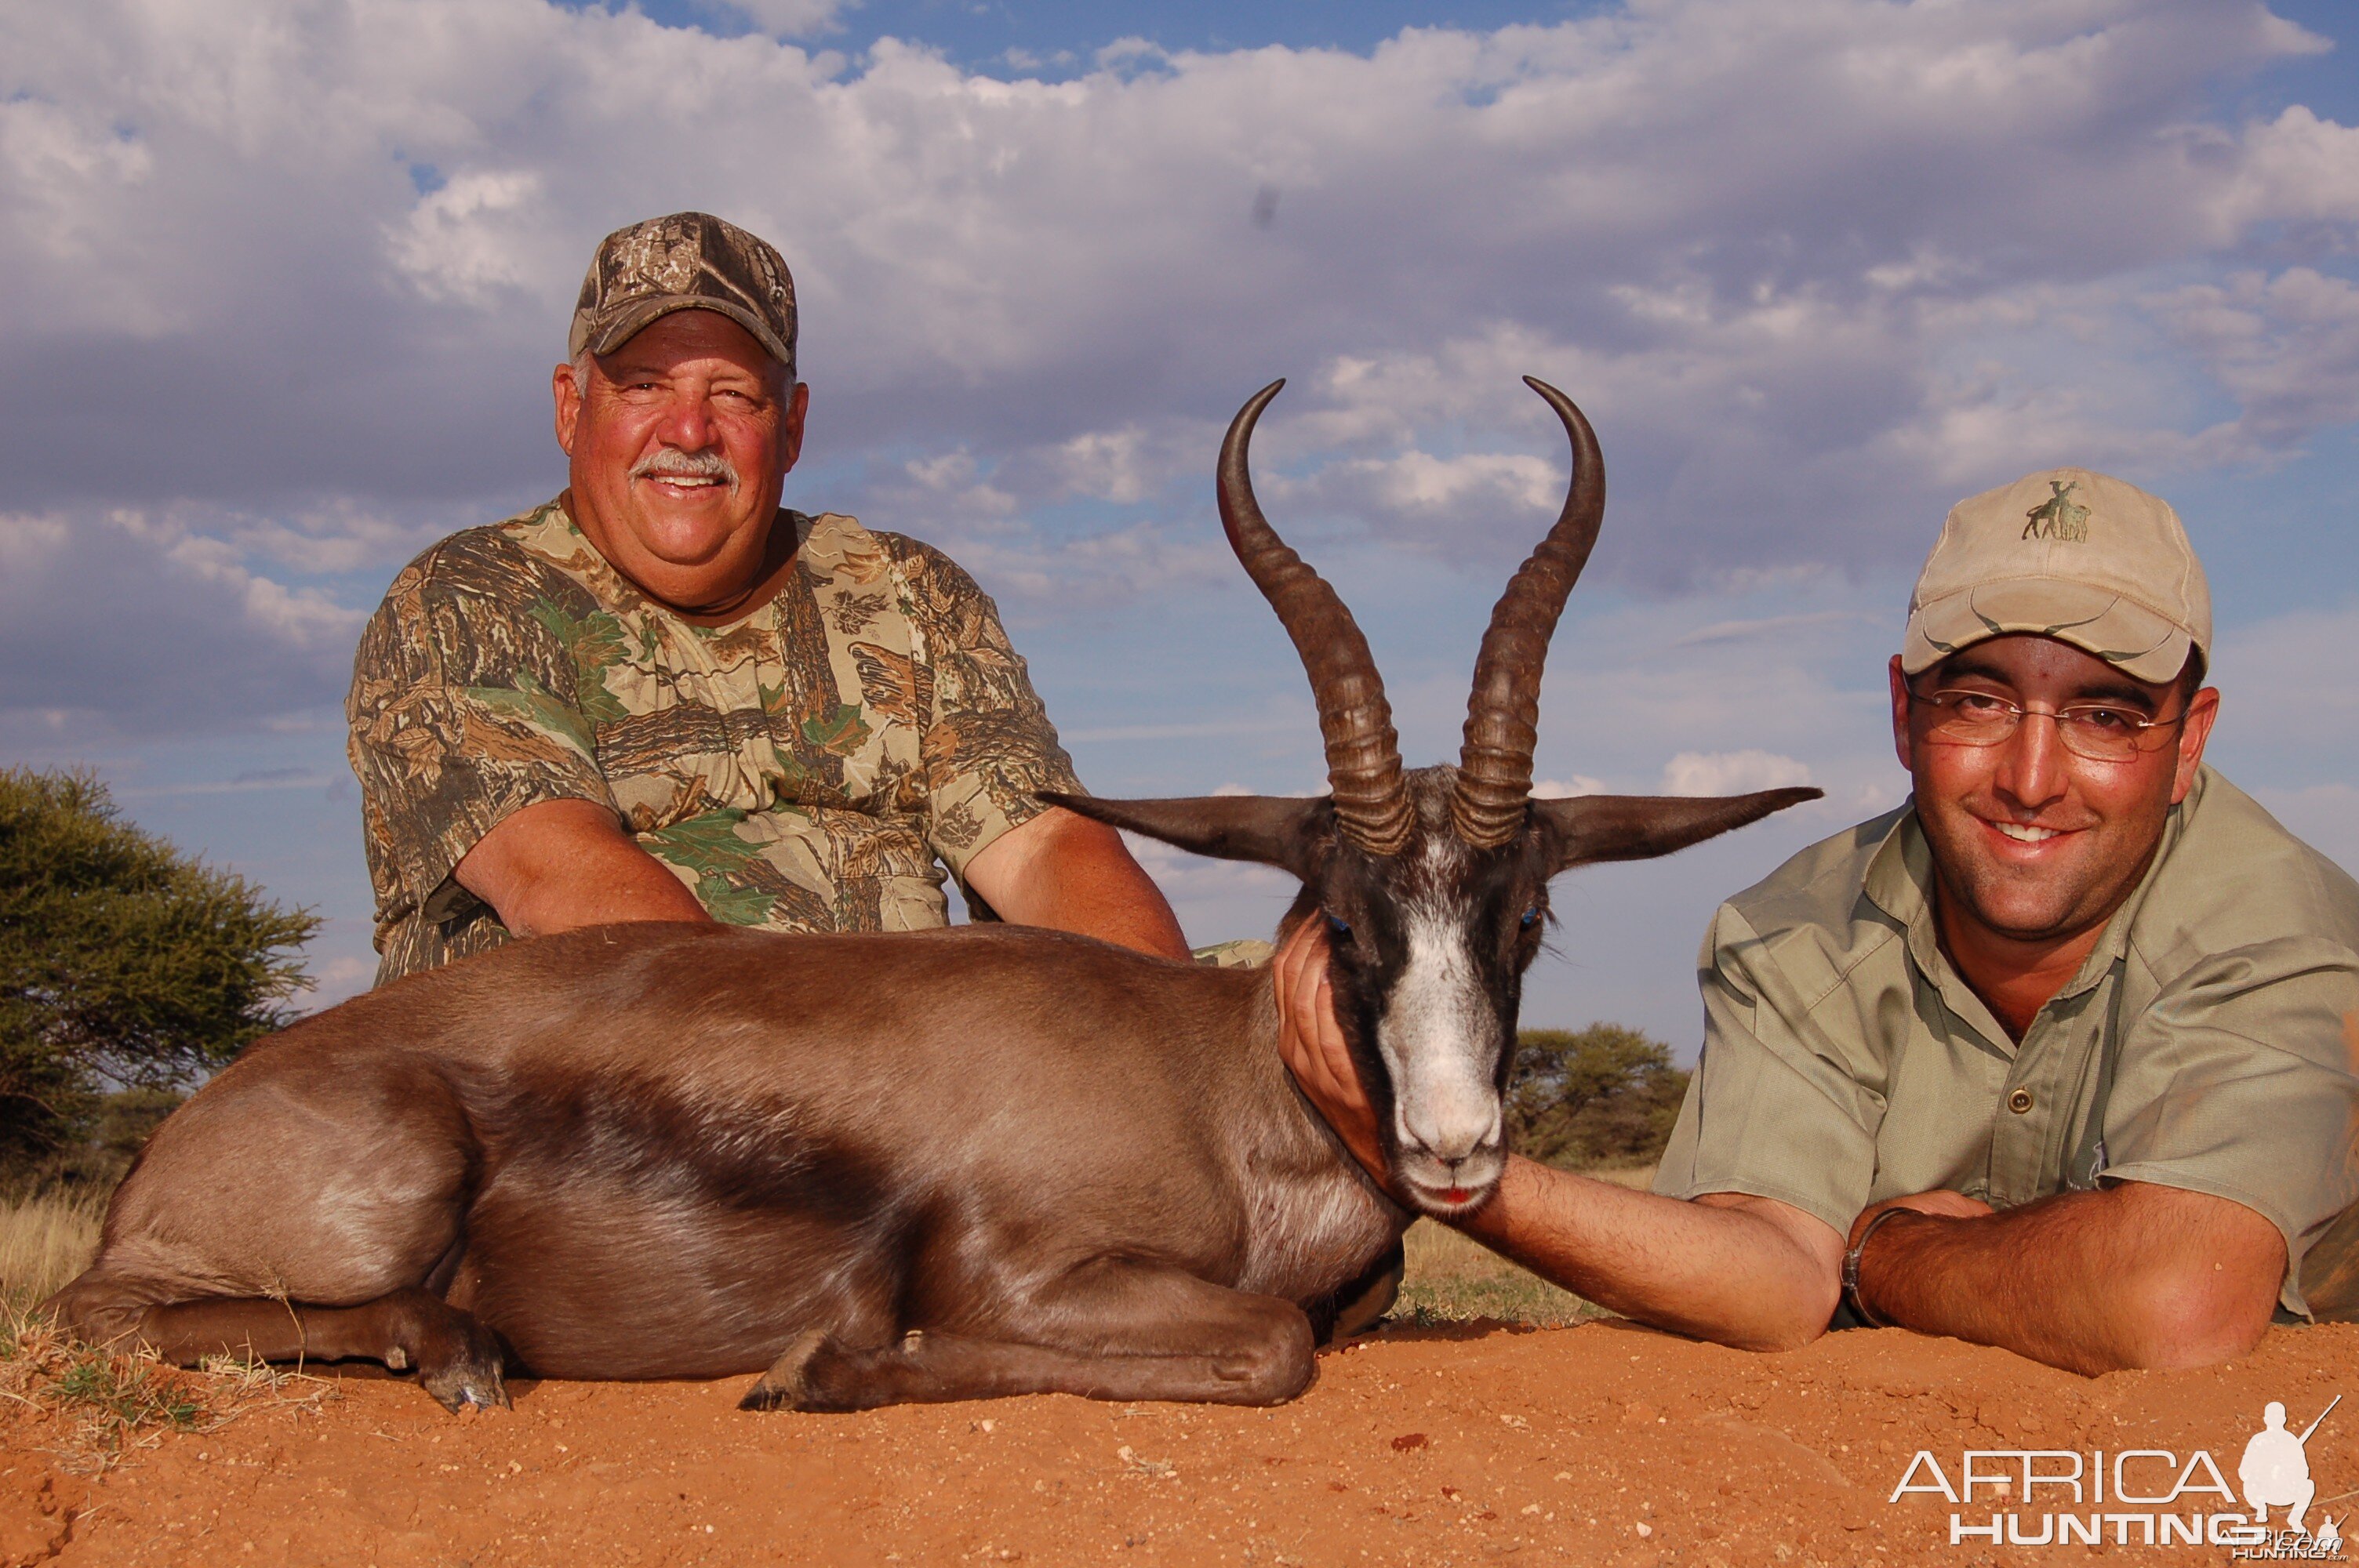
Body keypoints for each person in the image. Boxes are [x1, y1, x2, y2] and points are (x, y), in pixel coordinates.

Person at [1277, 467, 2359, 1374]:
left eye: (2107, 716)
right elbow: (1769, 1274)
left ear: (2192, 740)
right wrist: (1440, 1155)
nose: (2032, 779)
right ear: (1902, 711)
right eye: (1977, 701)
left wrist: (1880, 1254)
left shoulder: (2276, 921)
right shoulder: (1793, 930)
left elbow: (2178, 1304)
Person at [347, 212, 1188, 984]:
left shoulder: (911, 591)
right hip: (587, 1097)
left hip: (920, 1080)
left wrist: (1157, 1031)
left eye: (733, 393)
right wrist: (839, 1080)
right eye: (644, 385)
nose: (687, 430)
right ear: (572, 408)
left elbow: (1043, 846)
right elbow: (557, 876)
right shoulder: (467, 596)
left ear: (790, 427)